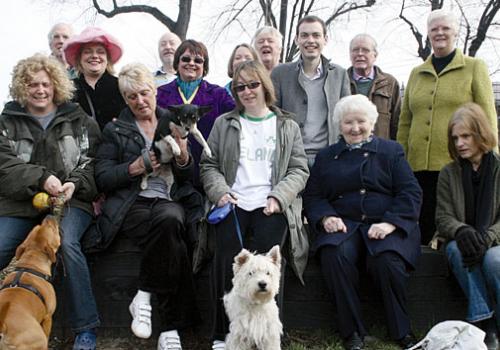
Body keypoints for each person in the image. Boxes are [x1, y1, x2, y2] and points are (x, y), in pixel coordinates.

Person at [199, 60, 309, 350]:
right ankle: (223, 335)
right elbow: (208, 165)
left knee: (267, 268)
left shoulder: (286, 124)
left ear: (265, 85)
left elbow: (299, 169)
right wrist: (220, 192)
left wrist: (278, 197)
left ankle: (268, 335)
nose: (247, 91)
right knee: (227, 260)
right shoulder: (225, 123)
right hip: (233, 205)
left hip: (270, 205)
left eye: (253, 84)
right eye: (240, 87)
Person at [91, 63, 200, 350]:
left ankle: (143, 293)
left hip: (168, 198)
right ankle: (170, 329)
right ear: (125, 99)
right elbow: (101, 176)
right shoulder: (115, 129)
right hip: (131, 202)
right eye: (132, 96)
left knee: (170, 221)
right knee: (172, 236)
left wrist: (184, 158)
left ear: (155, 91)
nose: (140, 101)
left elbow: (191, 176)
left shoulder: (174, 119)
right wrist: (133, 167)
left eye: (144, 93)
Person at [303, 95, 422, 350]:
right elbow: (313, 196)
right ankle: (352, 331)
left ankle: (401, 331)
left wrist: (391, 223)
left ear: (372, 122)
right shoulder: (326, 157)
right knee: (334, 254)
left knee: (387, 261)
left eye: (361, 122)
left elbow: (410, 192)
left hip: (385, 223)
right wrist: (326, 217)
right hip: (344, 225)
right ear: (339, 125)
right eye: (348, 122)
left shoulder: (391, 151)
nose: (355, 128)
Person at [0, 54, 101, 349]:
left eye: (45, 83)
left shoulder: (79, 119)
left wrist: (75, 182)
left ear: (56, 85)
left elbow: (93, 161)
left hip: (70, 203)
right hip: (19, 204)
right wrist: (42, 179)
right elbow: (4, 166)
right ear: (22, 87)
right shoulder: (7, 122)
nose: (40, 90)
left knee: (68, 244)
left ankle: (86, 328)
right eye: (32, 84)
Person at [397, 9, 498, 244]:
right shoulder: (416, 73)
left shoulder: (474, 67)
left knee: (451, 227)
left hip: (455, 165)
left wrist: (491, 156)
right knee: (421, 227)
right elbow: (405, 121)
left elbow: (486, 115)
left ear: (456, 32)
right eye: (434, 29)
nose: (440, 33)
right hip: (417, 166)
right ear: (428, 34)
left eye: (445, 28)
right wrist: (400, 157)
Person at [434, 103, 500, 350]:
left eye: (466, 136)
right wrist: (462, 230)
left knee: (494, 260)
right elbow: (443, 216)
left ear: (480, 134)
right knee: (457, 251)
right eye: (455, 138)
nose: (460, 143)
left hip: (494, 240)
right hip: (459, 240)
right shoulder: (448, 173)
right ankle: (486, 324)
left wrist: (487, 236)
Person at [271, 15, 351, 167]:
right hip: (290, 160)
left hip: (330, 159)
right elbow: (271, 118)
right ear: (296, 40)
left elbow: (346, 118)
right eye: (304, 35)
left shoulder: (339, 74)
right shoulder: (280, 74)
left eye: (316, 35)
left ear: (325, 39)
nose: (310, 40)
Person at [156, 39, 235, 189]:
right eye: (186, 59)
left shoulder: (218, 94)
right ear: (177, 63)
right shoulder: (161, 94)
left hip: (209, 172)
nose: (192, 63)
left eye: (198, 60)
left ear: (204, 67)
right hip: (172, 173)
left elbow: (240, 116)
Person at [63, 26, 127, 130]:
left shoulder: (121, 86)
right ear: (79, 58)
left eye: (100, 51)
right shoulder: (68, 89)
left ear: (107, 58)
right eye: (88, 51)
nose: (94, 56)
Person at [348, 33, 401, 140]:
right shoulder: (341, 81)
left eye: (365, 50)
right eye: (355, 50)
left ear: (375, 55)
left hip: (381, 152)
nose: (359, 54)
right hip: (349, 151)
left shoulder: (389, 83)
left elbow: (398, 122)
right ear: (350, 54)